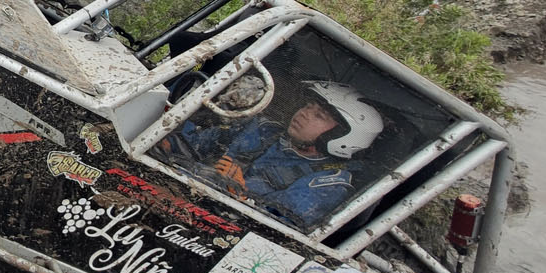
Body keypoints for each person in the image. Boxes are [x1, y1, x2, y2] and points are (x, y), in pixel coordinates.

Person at [165, 81, 385, 229]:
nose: (304, 113)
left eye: (319, 115)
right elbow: (188, 144)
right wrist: (165, 139)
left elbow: (275, 228)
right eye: (308, 106)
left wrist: (241, 194)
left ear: (341, 135)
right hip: (175, 193)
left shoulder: (328, 184)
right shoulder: (264, 130)